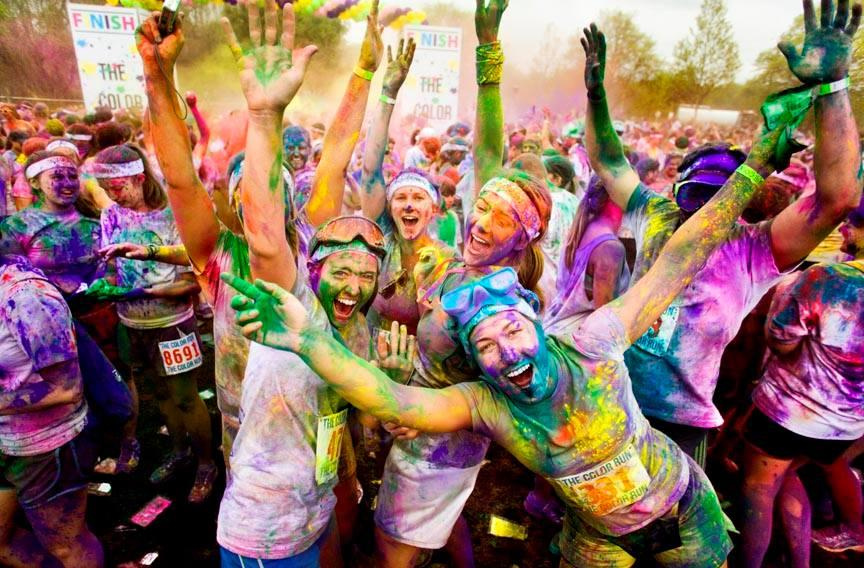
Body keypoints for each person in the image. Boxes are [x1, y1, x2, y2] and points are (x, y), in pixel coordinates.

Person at [222, 96, 792, 568]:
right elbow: (393, 398)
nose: (506, 352)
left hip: (678, 508)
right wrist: (312, 341)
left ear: (533, 315)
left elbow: (679, 258)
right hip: (593, 530)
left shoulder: (591, 345)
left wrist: (755, 165)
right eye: (484, 346)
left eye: (514, 330)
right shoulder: (487, 393)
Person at [584, 0, 862, 466]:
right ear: (677, 187)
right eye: (696, 192)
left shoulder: (752, 249)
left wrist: (832, 87)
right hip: (613, 401)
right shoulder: (656, 214)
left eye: (718, 195)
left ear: (738, 197)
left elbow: (836, 200)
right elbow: (609, 160)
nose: (704, 208)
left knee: (668, 512)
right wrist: (596, 99)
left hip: (680, 428)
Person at [740, 202, 864, 567]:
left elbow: (780, 338)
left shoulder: (827, 279)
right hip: (846, 424)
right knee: (787, 476)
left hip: (791, 413)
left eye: (853, 224)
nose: (843, 230)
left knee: (758, 490)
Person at [92, 143, 215, 503]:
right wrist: (105, 286)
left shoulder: (173, 216)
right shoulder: (110, 215)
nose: (113, 196)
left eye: (118, 187)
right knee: (159, 394)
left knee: (186, 398)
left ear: (140, 178)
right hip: (131, 324)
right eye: (105, 189)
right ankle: (179, 452)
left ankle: (206, 463)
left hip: (172, 324)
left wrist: (149, 291)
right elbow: (112, 269)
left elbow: (195, 280)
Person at [0, 254, 103, 568]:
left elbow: (66, 389)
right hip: (6, 440)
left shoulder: (25, 295)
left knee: (66, 546)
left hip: (44, 446)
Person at [359, 36, 456, 336]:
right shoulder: (381, 245)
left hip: (423, 365)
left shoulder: (448, 261)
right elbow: (370, 171)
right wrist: (388, 93)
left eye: (418, 197)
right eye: (401, 198)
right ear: (389, 208)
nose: (410, 204)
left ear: (433, 208)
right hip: (371, 361)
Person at [546, 175, 629, 334]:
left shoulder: (583, 228)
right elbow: (603, 319)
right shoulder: (609, 248)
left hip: (557, 329)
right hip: (579, 340)